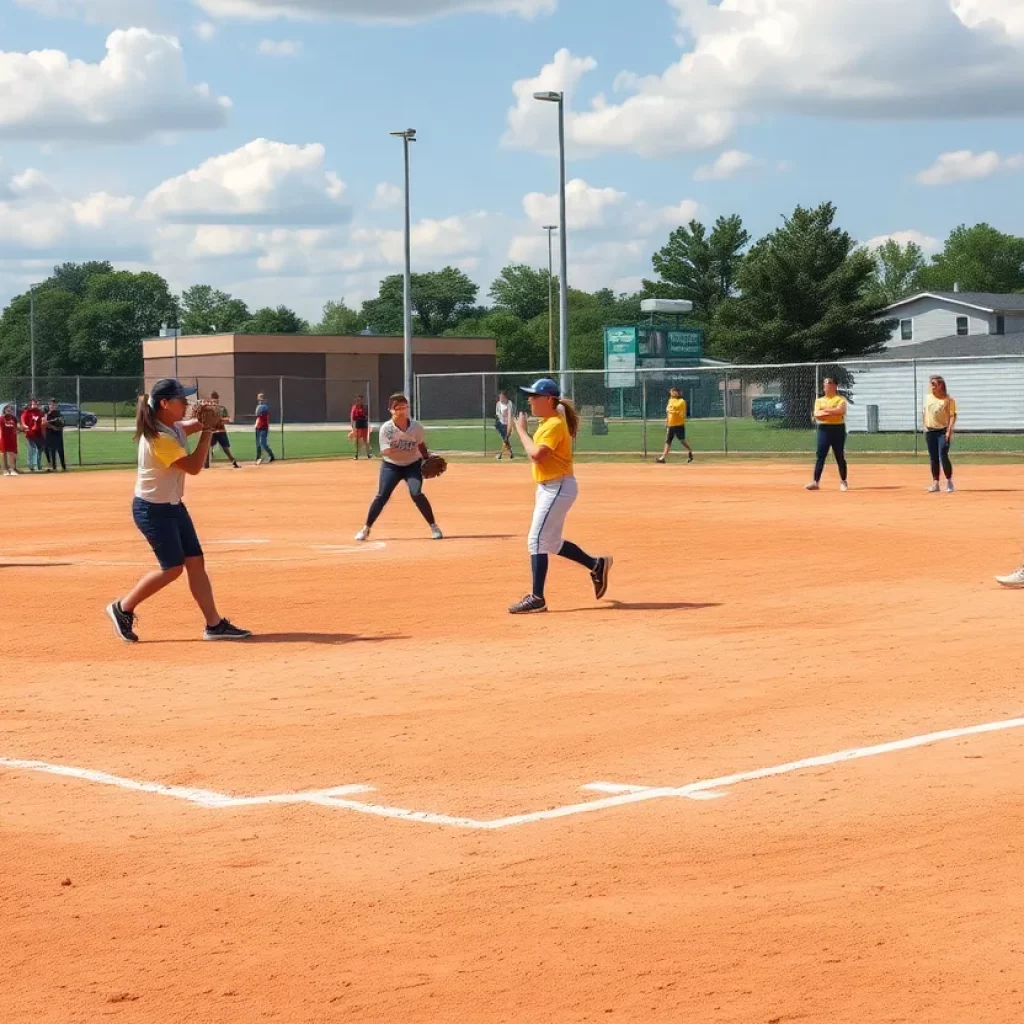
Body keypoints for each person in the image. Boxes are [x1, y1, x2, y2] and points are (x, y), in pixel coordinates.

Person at [105, 378, 251, 643]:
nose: (187, 403)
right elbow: (195, 466)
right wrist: (208, 430)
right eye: (181, 399)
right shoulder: (158, 438)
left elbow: (198, 423)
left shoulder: (171, 427)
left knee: (195, 561)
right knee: (172, 568)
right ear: (164, 403)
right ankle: (122, 607)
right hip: (152, 510)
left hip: (173, 507)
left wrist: (213, 416)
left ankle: (214, 625)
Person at [508, 377, 612, 614]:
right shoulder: (549, 420)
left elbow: (537, 455)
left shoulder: (554, 424)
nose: (529, 400)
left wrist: (521, 432)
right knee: (551, 542)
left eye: (534, 396)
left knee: (536, 540)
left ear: (547, 399)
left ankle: (537, 598)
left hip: (558, 487)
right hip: (548, 487)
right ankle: (596, 565)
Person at [354, 394, 443, 542]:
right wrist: (401, 449)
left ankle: (434, 526)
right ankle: (366, 528)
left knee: (416, 493)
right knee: (382, 495)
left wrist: (426, 458)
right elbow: (386, 451)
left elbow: (420, 444)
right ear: (390, 410)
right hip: (391, 466)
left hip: (412, 465)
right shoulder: (386, 429)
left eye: (404, 407)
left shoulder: (416, 427)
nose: (402, 411)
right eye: (398, 408)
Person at [806, 378, 849, 492]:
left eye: (829, 383)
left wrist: (826, 411)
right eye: (824, 384)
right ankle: (816, 482)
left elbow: (841, 411)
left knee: (839, 455)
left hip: (838, 428)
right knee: (821, 455)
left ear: (835, 386)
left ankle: (843, 481)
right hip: (823, 429)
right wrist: (832, 411)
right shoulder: (819, 400)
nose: (825, 386)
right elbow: (817, 414)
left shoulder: (840, 399)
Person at [923, 376, 956, 493]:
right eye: (931, 384)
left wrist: (949, 430)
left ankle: (949, 482)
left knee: (943, 454)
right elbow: (924, 412)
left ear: (941, 385)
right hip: (930, 432)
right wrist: (924, 425)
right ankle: (935, 483)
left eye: (934, 384)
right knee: (933, 458)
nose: (932, 386)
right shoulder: (928, 398)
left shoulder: (948, 400)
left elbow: (952, 416)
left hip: (942, 431)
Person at [656, 387, 694, 464]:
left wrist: (673, 411)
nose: (671, 393)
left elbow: (681, 413)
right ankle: (663, 457)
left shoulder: (682, 401)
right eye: (671, 392)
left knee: (682, 440)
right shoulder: (670, 400)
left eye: (673, 391)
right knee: (668, 441)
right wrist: (667, 424)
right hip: (671, 424)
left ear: (678, 393)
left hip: (678, 424)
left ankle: (690, 451)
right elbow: (668, 413)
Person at [203, 391, 240, 469]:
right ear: (211, 400)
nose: (215, 402)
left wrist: (220, 419)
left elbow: (228, 419)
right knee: (207, 447)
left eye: (216, 401)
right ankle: (206, 464)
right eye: (213, 401)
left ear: (218, 400)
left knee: (226, 448)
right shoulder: (208, 409)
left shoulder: (222, 408)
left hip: (221, 431)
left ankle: (234, 463)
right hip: (212, 431)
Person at [20, 398, 45, 473]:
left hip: (38, 433)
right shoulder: (27, 412)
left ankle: (38, 465)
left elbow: (42, 421)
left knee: (40, 449)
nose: (35, 405)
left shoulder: (39, 412)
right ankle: (31, 466)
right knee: (31, 450)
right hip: (30, 433)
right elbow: (23, 421)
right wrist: (25, 426)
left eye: (36, 404)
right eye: (33, 404)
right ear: (30, 405)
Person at [44, 399, 67, 472]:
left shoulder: (59, 413)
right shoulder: (47, 414)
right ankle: (54, 467)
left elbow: (63, 423)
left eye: (53, 405)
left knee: (60, 451)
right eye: (50, 404)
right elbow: (45, 424)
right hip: (50, 435)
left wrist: (58, 427)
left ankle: (63, 467)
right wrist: (53, 426)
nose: (51, 406)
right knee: (52, 451)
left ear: (56, 406)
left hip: (58, 434)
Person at [254, 392, 276, 465]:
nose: (259, 400)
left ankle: (271, 456)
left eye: (261, 398)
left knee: (263, 443)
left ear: (263, 399)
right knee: (258, 444)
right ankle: (258, 458)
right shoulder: (259, 406)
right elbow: (257, 414)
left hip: (264, 427)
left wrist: (260, 406)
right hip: (258, 427)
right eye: (259, 398)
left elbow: (258, 413)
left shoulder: (264, 407)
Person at [350, 394, 372, 460]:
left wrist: (368, 423)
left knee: (365, 441)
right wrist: (352, 426)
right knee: (357, 441)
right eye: (358, 400)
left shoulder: (365, 407)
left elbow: (367, 416)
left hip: (364, 425)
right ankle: (356, 455)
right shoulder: (354, 407)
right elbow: (352, 417)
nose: (359, 401)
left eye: (360, 400)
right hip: (358, 425)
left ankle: (368, 454)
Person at [494, 391, 514, 460]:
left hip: (508, 424)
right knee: (505, 439)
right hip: (501, 424)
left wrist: (507, 415)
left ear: (505, 397)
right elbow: (497, 412)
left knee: (505, 439)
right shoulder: (498, 404)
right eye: (500, 397)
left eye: (502, 397)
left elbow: (510, 412)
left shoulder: (509, 403)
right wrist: (501, 415)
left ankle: (509, 453)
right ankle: (511, 453)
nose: (500, 398)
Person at [1, 403, 18, 476]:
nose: (9, 410)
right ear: (4, 410)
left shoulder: (14, 418)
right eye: (7, 409)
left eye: (10, 409)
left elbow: (17, 426)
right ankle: (5, 469)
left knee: (12, 454)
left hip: (12, 438)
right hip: (4, 438)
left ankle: (12, 469)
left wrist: (22, 428)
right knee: (4, 453)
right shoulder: (1, 418)